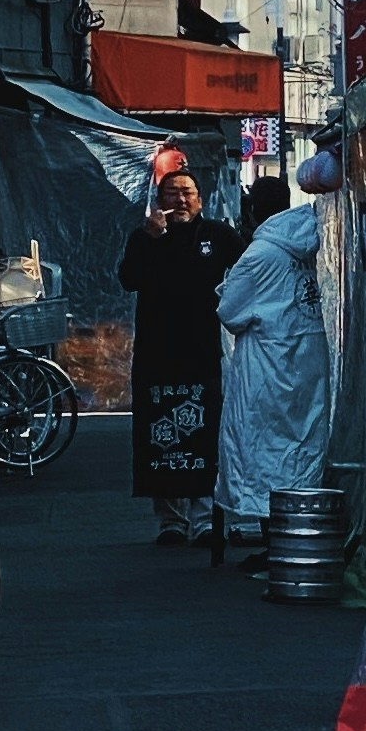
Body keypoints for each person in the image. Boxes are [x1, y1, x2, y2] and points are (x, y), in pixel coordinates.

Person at [118, 167, 240, 540]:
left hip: (202, 351)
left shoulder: (219, 236)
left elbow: (248, 272)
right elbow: (128, 280)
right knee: (160, 432)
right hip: (156, 351)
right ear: (160, 201)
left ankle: (205, 516)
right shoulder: (144, 238)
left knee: (204, 432)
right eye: (172, 193)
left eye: (187, 192)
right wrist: (151, 240)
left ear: (200, 199)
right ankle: (171, 518)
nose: (180, 200)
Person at [215, 171, 332, 555]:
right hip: (306, 356)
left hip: (267, 362)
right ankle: (295, 536)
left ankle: (275, 542)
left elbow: (231, 311)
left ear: (253, 208)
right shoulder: (307, 244)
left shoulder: (260, 254)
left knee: (264, 448)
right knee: (300, 442)